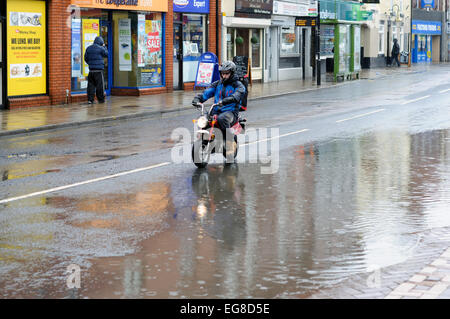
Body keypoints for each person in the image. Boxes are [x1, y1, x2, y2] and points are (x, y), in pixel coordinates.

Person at [192, 61, 246, 160]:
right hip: (216, 110)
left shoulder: (238, 85)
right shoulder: (218, 84)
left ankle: (229, 143)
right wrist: (198, 99)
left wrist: (228, 100)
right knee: (203, 119)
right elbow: (207, 92)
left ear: (232, 73)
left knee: (222, 119)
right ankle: (206, 139)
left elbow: (237, 95)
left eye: (227, 73)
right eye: (222, 73)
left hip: (231, 112)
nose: (224, 75)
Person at [84, 36, 108, 104]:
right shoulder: (101, 48)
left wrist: (90, 64)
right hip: (98, 71)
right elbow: (106, 54)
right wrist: (104, 46)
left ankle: (90, 100)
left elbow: (85, 58)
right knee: (100, 86)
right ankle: (100, 99)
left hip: (91, 70)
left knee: (90, 86)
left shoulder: (88, 48)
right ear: (101, 42)